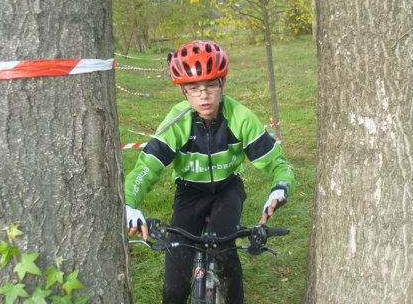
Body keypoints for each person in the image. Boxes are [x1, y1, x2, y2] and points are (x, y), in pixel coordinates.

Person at [123, 40, 295, 304]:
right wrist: (129, 204)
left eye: (210, 86)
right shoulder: (176, 122)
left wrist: (280, 187)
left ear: (222, 84)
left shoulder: (240, 117)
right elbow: (147, 168)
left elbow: (278, 164)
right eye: (194, 89)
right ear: (183, 91)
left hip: (228, 190)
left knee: (224, 249)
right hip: (189, 193)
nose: (203, 96)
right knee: (174, 285)